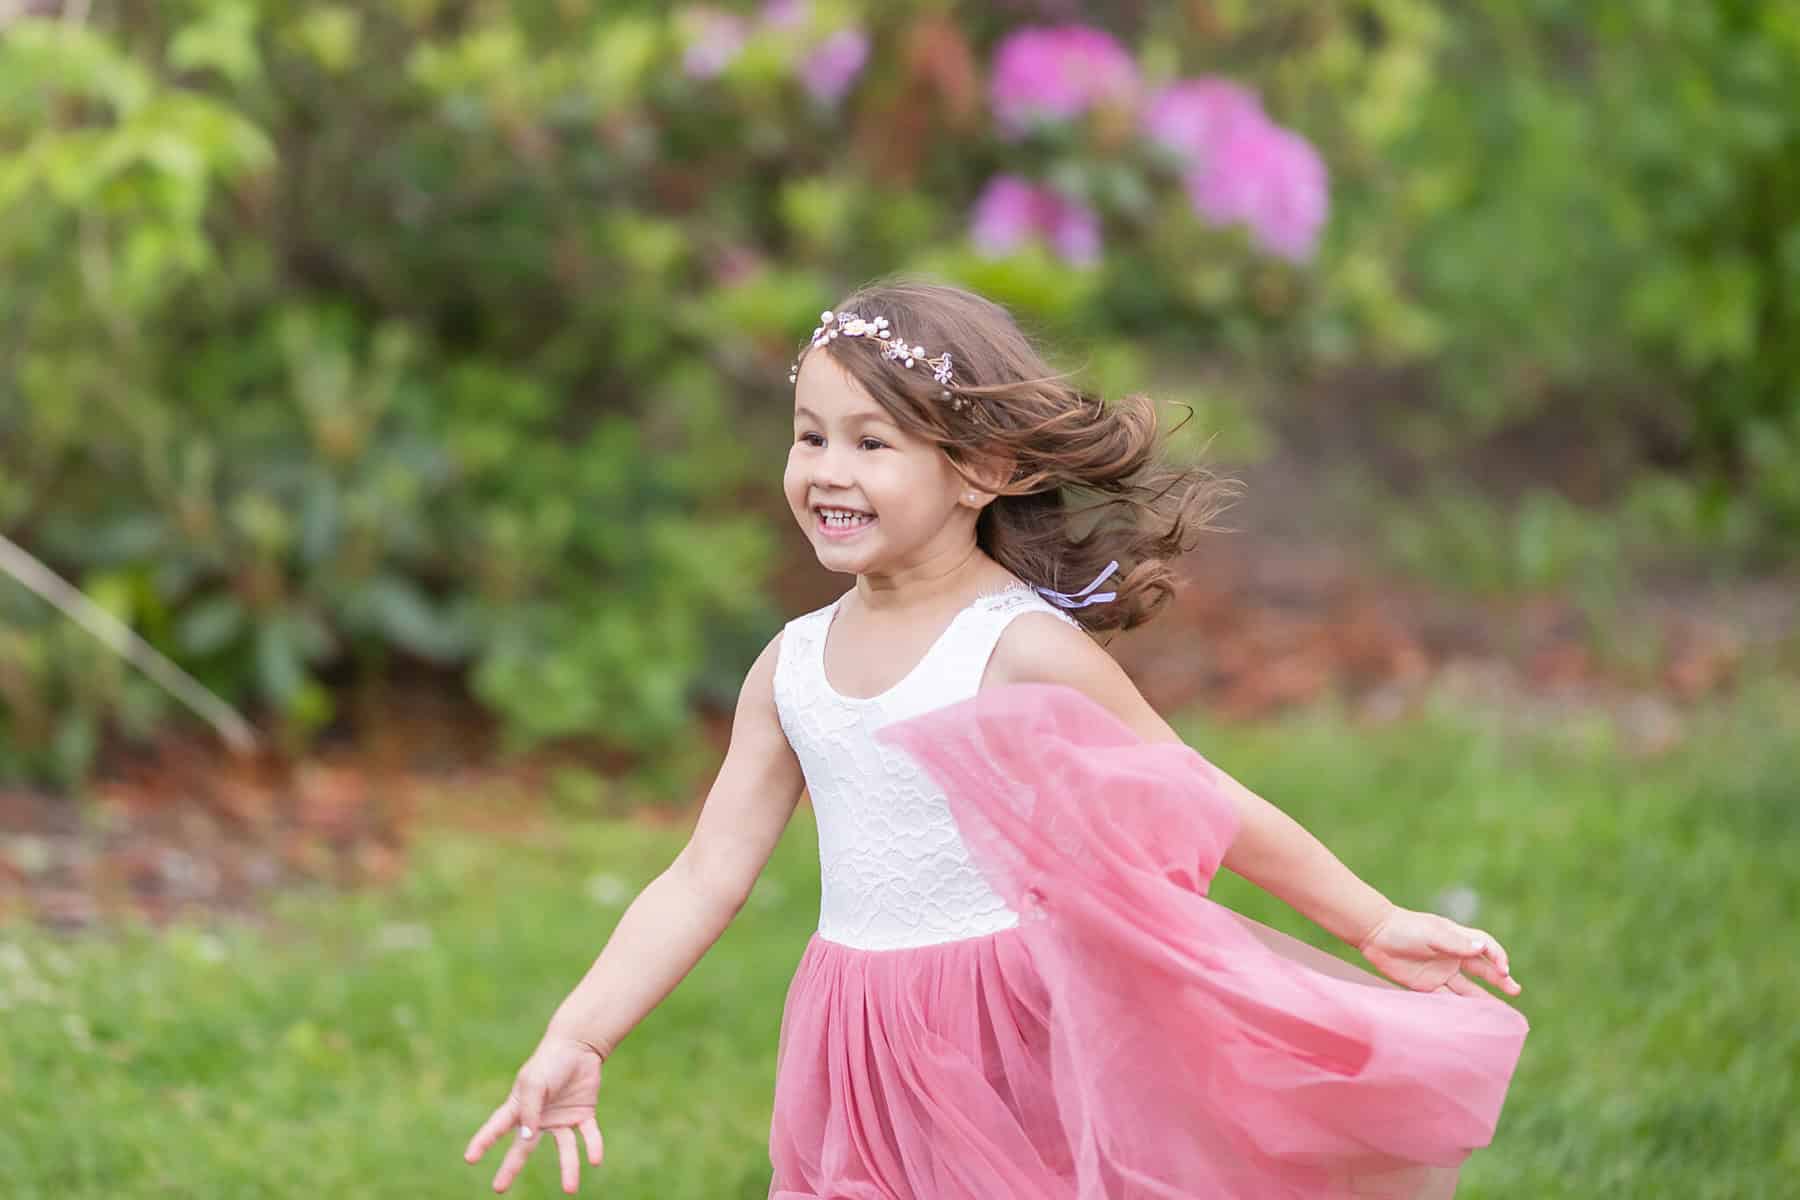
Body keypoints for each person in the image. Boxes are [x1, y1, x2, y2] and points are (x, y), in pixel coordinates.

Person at [463, 279, 1529, 1198]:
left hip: (1002, 1037)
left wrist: (1374, 921)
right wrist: (582, 1030)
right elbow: (704, 875)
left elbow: (1195, 791)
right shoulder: (790, 667)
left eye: (871, 443)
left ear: (979, 470)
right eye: (809, 435)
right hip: (852, 1036)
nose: (828, 470)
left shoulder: (1014, 648)